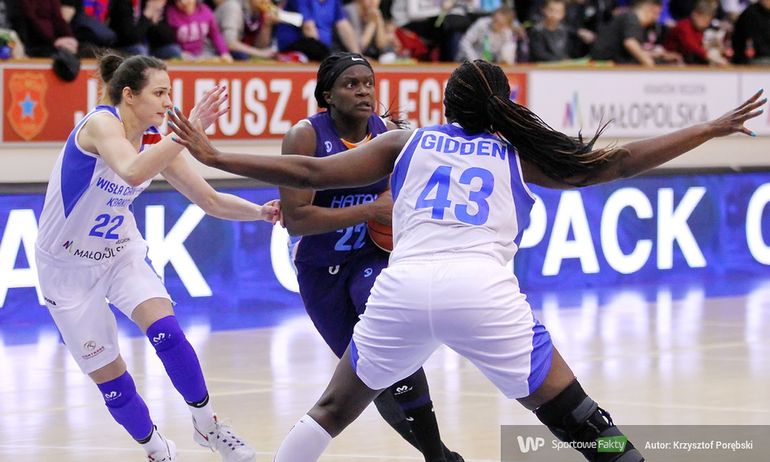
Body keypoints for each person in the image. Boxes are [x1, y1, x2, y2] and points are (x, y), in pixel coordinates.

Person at [167, 59, 766, 462]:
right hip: (481, 292)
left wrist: (217, 156)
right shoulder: (517, 153)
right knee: (578, 418)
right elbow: (617, 163)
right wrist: (708, 128)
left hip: (402, 289)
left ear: (447, 104)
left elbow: (307, 171)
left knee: (331, 410)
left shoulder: (406, 140)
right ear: (503, 106)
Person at [35, 53, 279, 462]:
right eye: (160, 93)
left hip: (119, 253)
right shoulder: (101, 124)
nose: (169, 102)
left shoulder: (156, 140)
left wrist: (260, 212)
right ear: (129, 95)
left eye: (171, 93)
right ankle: (156, 449)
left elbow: (210, 199)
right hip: (65, 269)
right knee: (113, 386)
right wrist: (186, 132)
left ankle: (208, 425)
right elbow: (131, 171)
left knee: (167, 331)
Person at [277, 52, 462, 462]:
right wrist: (370, 209)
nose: (363, 91)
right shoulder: (304, 137)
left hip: (370, 257)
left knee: (391, 343)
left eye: (368, 83)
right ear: (328, 95)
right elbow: (297, 221)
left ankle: (437, 458)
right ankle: (443, 456)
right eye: (351, 84)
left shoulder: (389, 134)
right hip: (319, 267)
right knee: (369, 377)